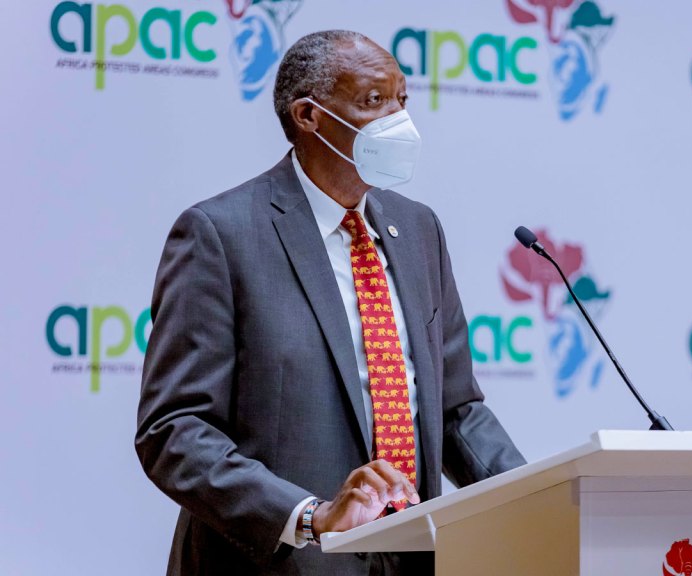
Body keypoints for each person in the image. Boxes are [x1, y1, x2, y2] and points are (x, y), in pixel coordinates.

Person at [135, 30, 525, 576]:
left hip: (412, 556)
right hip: (282, 562)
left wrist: (537, 496)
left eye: (402, 100)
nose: (398, 120)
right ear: (308, 116)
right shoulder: (220, 235)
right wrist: (311, 516)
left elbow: (456, 409)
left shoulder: (417, 229)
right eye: (373, 101)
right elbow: (174, 431)